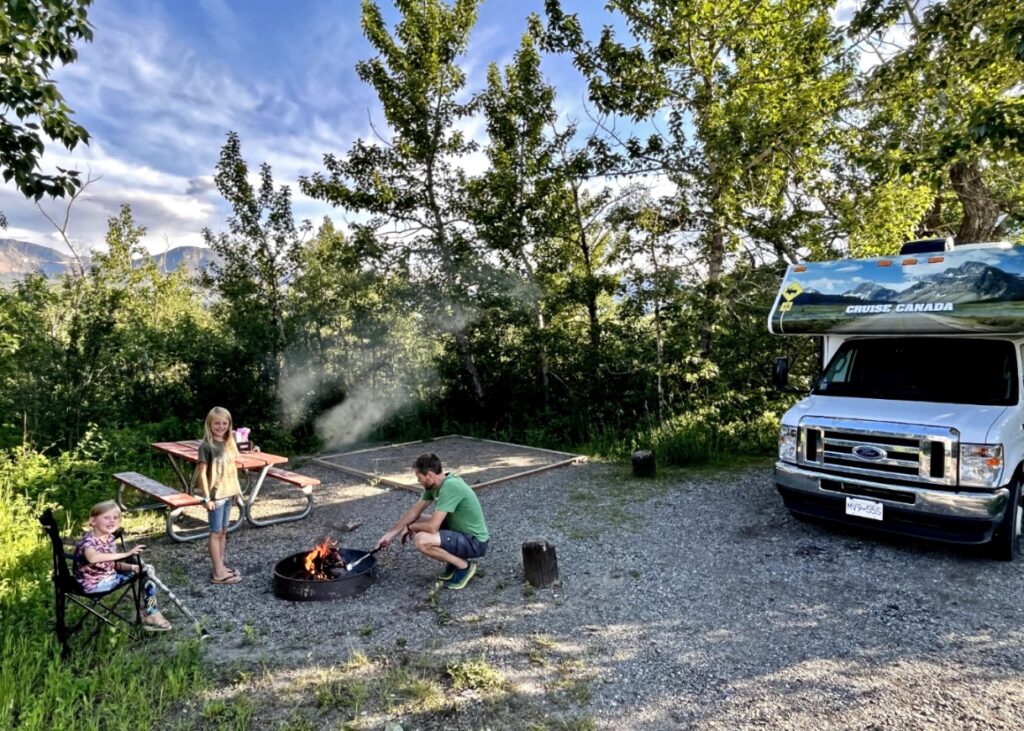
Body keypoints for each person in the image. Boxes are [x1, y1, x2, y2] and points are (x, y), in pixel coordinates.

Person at [375, 453, 489, 590]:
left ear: (429, 475)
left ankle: (463, 566)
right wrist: (389, 535)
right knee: (419, 520)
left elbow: (433, 527)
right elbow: (414, 513)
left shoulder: (450, 486)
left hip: (475, 542)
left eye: (419, 478)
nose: (419, 482)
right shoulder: (434, 486)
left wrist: (411, 527)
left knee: (421, 539)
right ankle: (454, 563)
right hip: (461, 533)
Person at [74, 500, 172, 631]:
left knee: (146, 569)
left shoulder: (108, 538)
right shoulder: (89, 542)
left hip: (107, 578)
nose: (112, 521)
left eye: (115, 518)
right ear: (93, 521)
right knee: (146, 574)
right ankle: (152, 613)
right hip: (95, 585)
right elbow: (93, 558)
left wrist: (132, 567)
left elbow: (111, 564)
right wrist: (127, 554)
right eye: (106, 517)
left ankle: (150, 610)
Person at [194, 406, 244, 584]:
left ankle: (221, 565)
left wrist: (236, 491)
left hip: (228, 493)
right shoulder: (206, 446)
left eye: (224, 423)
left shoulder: (229, 442)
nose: (221, 426)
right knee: (215, 533)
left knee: (223, 531)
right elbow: (201, 474)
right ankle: (218, 573)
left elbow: (232, 470)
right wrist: (206, 498)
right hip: (215, 497)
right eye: (217, 423)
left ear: (229, 424)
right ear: (210, 424)